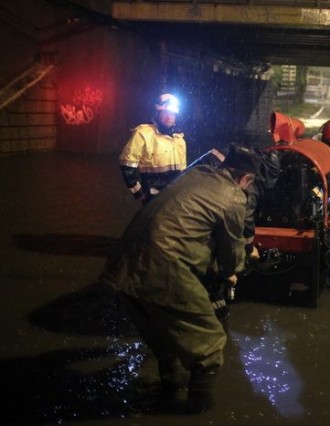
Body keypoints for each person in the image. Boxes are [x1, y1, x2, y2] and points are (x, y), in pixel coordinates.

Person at [101, 144, 261, 413]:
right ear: (245, 179)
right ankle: (196, 409)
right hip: (162, 269)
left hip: (123, 264)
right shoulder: (234, 196)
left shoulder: (196, 172)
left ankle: (169, 389)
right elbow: (231, 259)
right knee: (210, 346)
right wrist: (239, 264)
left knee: (166, 335)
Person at [119, 93, 187, 204]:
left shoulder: (179, 138)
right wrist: (138, 192)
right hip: (153, 198)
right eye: (165, 113)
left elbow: (183, 171)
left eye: (172, 114)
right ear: (157, 113)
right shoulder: (143, 133)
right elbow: (127, 164)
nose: (169, 117)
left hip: (175, 197)